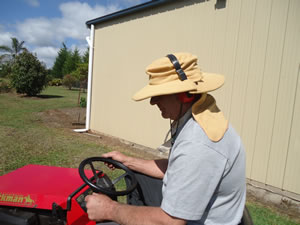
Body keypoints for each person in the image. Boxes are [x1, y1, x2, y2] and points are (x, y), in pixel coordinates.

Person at [85, 52, 246, 225]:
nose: (153, 102)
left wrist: (110, 209)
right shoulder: (201, 116)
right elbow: (178, 168)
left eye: (159, 95)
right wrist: (128, 161)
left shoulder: (197, 144)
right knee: (137, 175)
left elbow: (171, 221)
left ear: (185, 95)